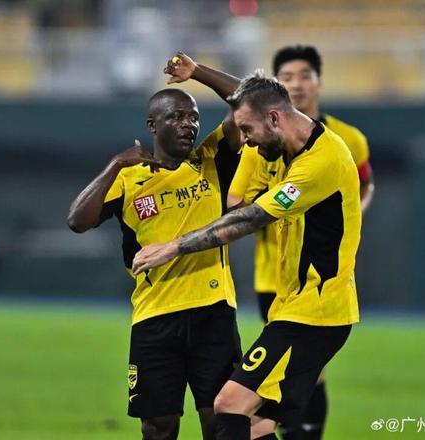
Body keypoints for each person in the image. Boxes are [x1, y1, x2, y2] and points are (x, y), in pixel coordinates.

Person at [132, 62, 362, 440]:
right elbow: (254, 100)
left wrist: (172, 247)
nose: (245, 140)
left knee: (229, 404)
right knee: (254, 428)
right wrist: (197, 72)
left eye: (248, 131)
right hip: (294, 306)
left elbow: (248, 219)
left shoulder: (322, 161)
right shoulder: (277, 142)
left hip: (317, 313)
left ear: (274, 119)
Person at [67, 85, 242, 440]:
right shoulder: (129, 178)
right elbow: (77, 221)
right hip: (154, 317)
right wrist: (116, 164)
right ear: (152, 124)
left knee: (220, 419)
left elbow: (247, 97)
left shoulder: (211, 158)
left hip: (213, 311)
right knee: (158, 426)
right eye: (176, 116)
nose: (189, 124)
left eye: (194, 117)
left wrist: (196, 73)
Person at [227, 44, 375, 439]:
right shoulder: (262, 141)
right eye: (287, 77)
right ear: (278, 87)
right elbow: (237, 203)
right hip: (274, 276)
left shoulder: (344, 141)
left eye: (304, 75)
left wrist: (345, 214)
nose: (297, 84)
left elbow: (364, 185)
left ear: (319, 82)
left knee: (300, 376)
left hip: (318, 283)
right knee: (277, 388)